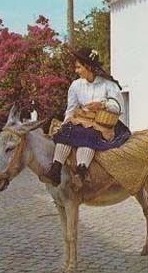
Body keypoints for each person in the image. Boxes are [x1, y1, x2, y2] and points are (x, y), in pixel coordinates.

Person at [43, 48, 131, 185]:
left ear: (88, 66)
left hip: (103, 123)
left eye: (78, 67)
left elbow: (119, 108)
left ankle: (82, 171)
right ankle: (56, 169)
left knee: (89, 133)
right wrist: (66, 123)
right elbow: (71, 109)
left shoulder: (108, 84)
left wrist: (103, 104)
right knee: (66, 131)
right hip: (83, 119)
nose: (76, 71)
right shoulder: (76, 85)